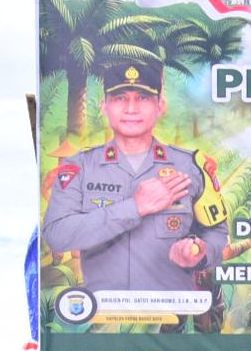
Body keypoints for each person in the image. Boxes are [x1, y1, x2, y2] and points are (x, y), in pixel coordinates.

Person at [42, 60, 229, 330]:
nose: (131, 109)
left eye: (142, 97)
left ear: (160, 105)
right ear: (104, 106)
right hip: (103, 325)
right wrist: (135, 207)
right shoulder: (78, 167)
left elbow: (218, 235)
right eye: (120, 98)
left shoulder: (191, 167)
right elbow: (57, 234)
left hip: (172, 328)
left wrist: (199, 252)